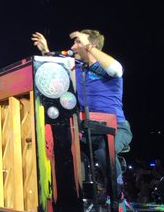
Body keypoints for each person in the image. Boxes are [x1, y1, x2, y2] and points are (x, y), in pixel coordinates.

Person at [31, 30, 133, 195]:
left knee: (104, 152)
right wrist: (45, 51)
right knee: (61, 147)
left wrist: (88, 46)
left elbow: (117, 70)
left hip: (116, 128)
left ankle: (117, 194)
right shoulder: (77, 68)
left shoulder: (106, 69)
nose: (72, 47)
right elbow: (52, 70)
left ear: (90, 45)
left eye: (77, 42)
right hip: (87, 127)